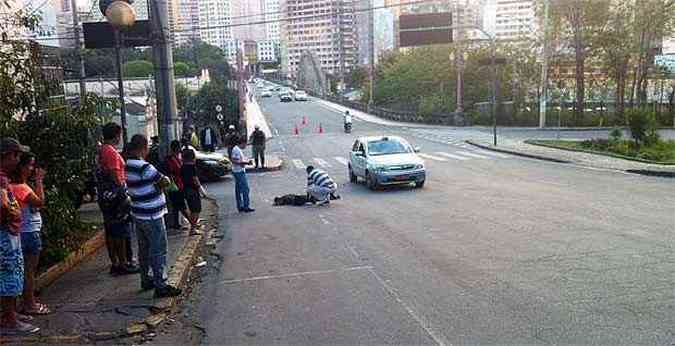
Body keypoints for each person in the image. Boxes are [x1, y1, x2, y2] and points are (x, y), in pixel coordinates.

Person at [125, 134, 182, 298]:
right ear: (143, 148)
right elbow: (165, 182)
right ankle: (161, 284)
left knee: (144, 249)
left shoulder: (127, 165)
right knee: (159, 249)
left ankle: (146, 278)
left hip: (138, 213)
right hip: (152, 214)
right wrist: (160, 185)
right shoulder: (144, 167)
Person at [0, 137, 39, 335]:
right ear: (7, 156)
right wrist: (11, 214)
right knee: (9, 274)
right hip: (5, 233)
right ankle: (9, 319)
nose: (18, 160)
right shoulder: (0, 178)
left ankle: (11, 313)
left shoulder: (4, 177)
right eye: (16, 155)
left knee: (13, 273)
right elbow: (3, 204)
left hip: (9, 232)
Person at [10, 153, 50, 316]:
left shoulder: (13, 186)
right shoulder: (20, 187)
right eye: (30, 165)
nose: (32, 169)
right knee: (29, 271)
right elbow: (40, 201)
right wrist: (40, 180)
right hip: (29, 232)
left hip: (21, 232)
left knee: (21, 271)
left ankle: (18, 306)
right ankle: (29, 303)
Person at [97, 123, 138, 276]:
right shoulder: (111, 152)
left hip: (106, 195)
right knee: (120, 230)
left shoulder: (102, 150)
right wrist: (123, 193)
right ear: (116, 135)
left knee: (111, 230)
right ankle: (122, 263)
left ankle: (116, 262)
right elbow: (115, 176)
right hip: (115, 195)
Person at [166, 140, 196, 232]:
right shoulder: (170, 159)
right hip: (175, 186)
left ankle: (177, 223)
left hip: (179, 184)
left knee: (176, 206)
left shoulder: (177, 158)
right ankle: (192, 224)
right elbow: (171, 172)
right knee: (181, 206)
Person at [180, 148, 203, 235]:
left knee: (192, 209)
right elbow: (195, 179)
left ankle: (193, 227)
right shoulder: (192, 167)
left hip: (185, 190)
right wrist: (201, 189)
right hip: (193, 190)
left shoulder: (182, 167)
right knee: (196, 210)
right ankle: (193, 229)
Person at [230, 137, 254, 213]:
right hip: (239, 171)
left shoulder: (237, 149)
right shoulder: (236, 150)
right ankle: (246, 206)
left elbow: (237, 160)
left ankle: (240, 206)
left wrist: (244, 161)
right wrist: (246, 163)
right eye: (245, 144)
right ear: (242, 143)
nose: (245, 146)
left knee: (238, 189)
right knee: (245, 189)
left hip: (238, 170)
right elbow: (234, 161)